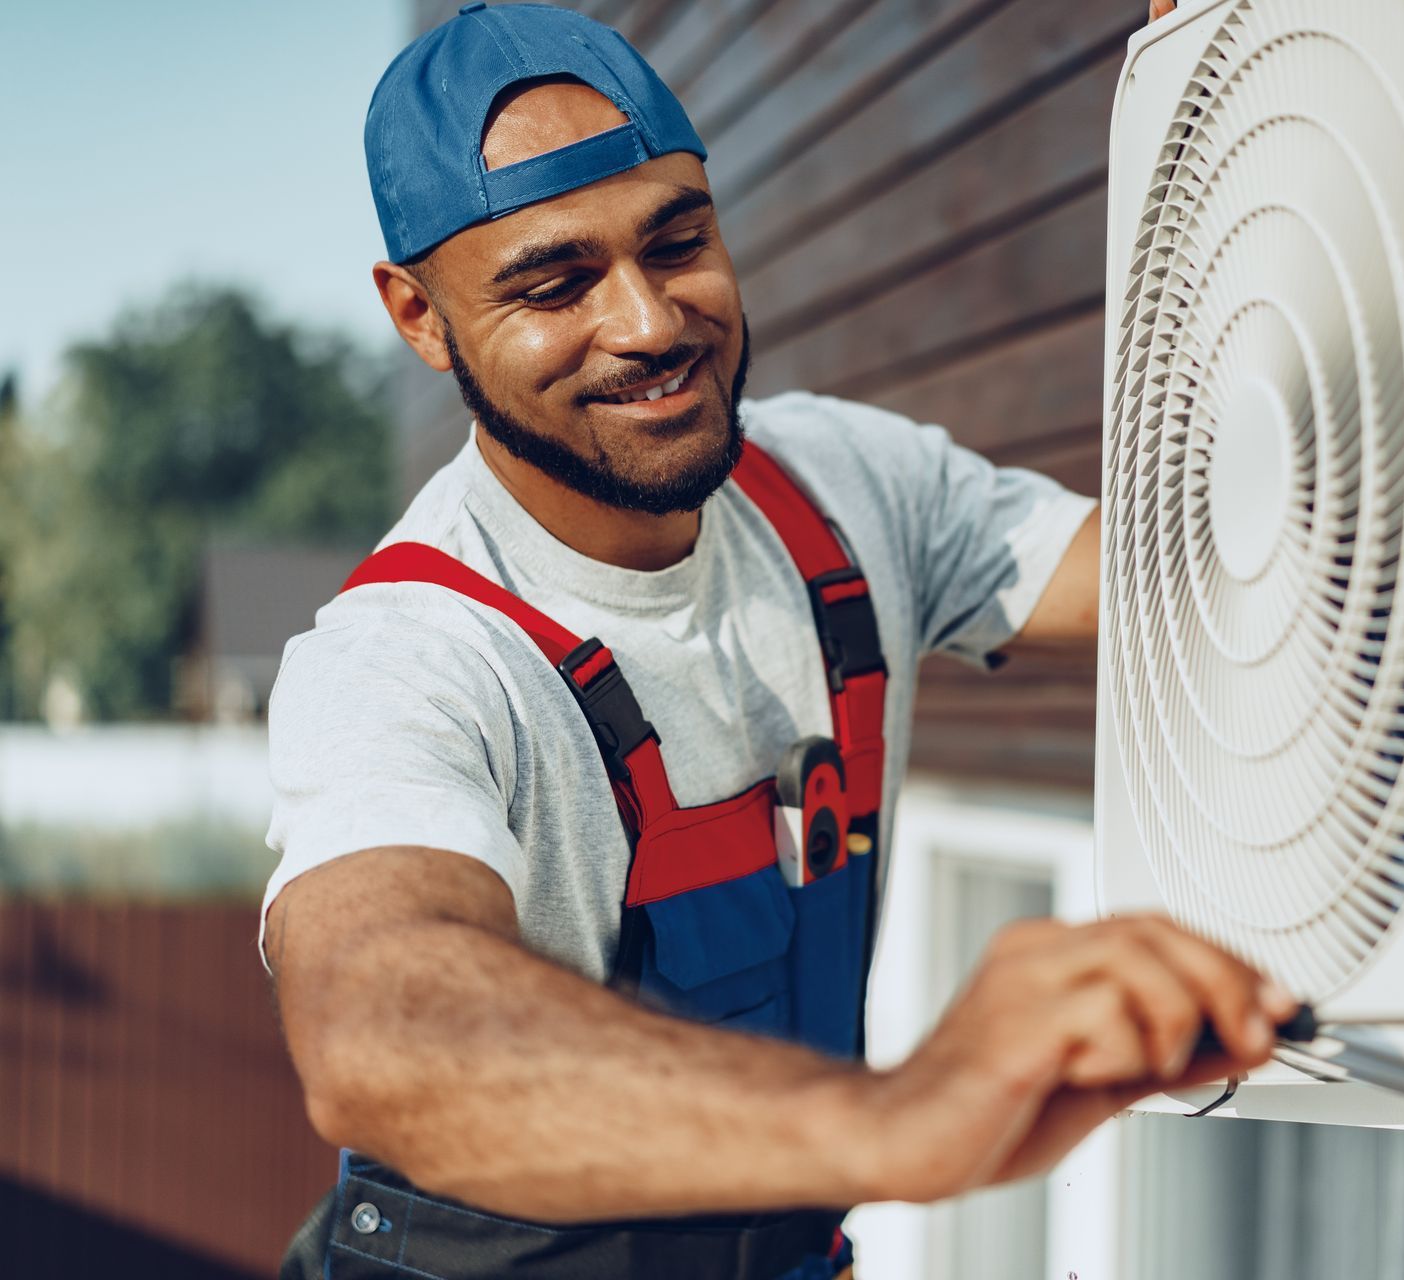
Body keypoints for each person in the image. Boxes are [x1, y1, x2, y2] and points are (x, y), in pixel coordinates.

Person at [261, 3, 1293, 1277]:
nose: (647, 323)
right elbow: (383, 1033)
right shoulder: (409, 658)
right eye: (554, 283)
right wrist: (898, 1114)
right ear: (420, 318)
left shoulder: (847, 487)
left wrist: (1243, 81)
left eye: (677, 241)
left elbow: (1222, 566)